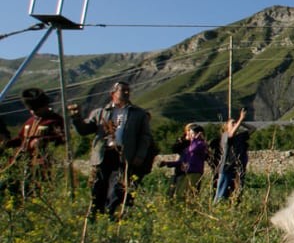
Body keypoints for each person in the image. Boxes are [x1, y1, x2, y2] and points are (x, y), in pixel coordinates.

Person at [69, 81, 153, 218]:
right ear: (112, 94)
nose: (126, 93)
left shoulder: (138, 114)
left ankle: (110, 215)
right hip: (103, 155)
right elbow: (84, 130)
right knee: (98, 187)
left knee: (117, 188)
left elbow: (145, 137)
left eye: (128, 90)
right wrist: (76, 118)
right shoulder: (101, 113)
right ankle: (96, 216)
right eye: (122, 90)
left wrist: (140, 156)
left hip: (123, 156)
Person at [1, 88, 65, 197]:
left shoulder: (55, 120)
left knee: (35, 192)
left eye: (36, 109)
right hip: (22, 162)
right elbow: (21, 139)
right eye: (32, 110)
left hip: (42, 164)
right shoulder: (30, 122)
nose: (34, 112)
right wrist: (6, 144)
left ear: (44, 106)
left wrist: (42, 141)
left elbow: (61, 139)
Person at [214, 108, 254, 204]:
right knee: (222, 192)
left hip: (238, 168)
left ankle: (233, 208)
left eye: (235, 123)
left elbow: (253, 129)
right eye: (232, 123)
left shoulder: (240, 136)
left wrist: (241, 122)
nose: (235, 124)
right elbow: (231, 135)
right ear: (226, 126)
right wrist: (240, 119)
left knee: (236, 191)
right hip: (227, 168)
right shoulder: (225, 135)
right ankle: (216, 208)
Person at [160, 124, 208, 201]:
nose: (189, 134)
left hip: (195, 172)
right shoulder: (188, 146)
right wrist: (168, 163)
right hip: (187, 172)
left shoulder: (200, 144)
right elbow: (182, 160)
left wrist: (196, 139)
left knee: (187, 195)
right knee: (179, 195)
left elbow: (194, 149)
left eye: (192, 132)